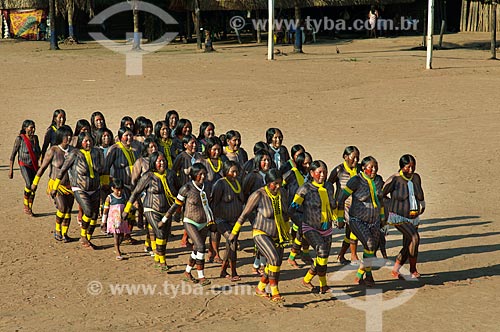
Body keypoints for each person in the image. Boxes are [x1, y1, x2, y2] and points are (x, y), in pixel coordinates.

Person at [229, 169, 290, 302]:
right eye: (275, 184)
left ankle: (260, 287)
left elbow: (287, 214)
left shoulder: (283, 193)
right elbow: (244, 214)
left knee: (276, 263)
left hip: (278, 234)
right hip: (260, 233)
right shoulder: (258, 195)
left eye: (280, 183)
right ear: (268, 183)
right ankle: (275, 292)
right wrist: (234, 233)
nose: (278, 187)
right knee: (273, 259)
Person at [124, 152, 177, 270]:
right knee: (160, 233)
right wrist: (126, 210)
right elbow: (136, 193)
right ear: (153, 163)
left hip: (167, 211)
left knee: (165, 236)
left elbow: (179, 191)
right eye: (159, 161)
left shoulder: (171, 175)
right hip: (151, 209)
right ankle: (162, 261)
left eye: (163, 160)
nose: (162, 163)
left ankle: (158, 256)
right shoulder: (148, 176)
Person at [337, 156, 384, 287]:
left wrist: (383, 217)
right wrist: (340, 218)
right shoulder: (356, 181)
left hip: (374, 221)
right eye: (371, 167)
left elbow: (381, 199)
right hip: (357, 220)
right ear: (363, 168)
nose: (374, 169)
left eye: (376, 166)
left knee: (372, 249)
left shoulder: (379, 180)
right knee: (369, 244)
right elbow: (341, 199)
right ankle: (368, 276)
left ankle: (359, 275)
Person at [290, 160, 337, 294]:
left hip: (327, 227)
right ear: (311, 173)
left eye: (325, 172)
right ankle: (324, 285)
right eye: (319, 172)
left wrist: (338, 217)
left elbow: (333, 204)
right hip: (310, 227)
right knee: (321, 251)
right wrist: (301, 224)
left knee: (322, 258)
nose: (323, 175)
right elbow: (292, 209)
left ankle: (307, 279)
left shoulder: (328, 187)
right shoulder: (305, 189)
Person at [52, 132, 104, 249]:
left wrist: (105, 184)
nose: (88, 143)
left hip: (95, 188)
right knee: (88, 211)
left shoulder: (97, 152)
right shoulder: (74, 154)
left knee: (95, 216)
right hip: (80, 188)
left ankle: (88, 239)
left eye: (90, 140)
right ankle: (82, 236)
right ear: (81, 142)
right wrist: (55, 186)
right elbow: (63, 170)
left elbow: (102, 170)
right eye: (86, 141)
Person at [164, 163, 213, 285]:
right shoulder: (186, 188)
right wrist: (165, 219)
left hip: (204, 222)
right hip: (190, 221)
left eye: (204, 174)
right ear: (193, 175)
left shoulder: (207, 187)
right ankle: (201, 277)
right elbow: (176, 205)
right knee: (201, 247)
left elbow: (210, 204)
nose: (202, 177)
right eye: (200, 174)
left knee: (197, 249)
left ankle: (187, 272)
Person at [383, 154, 425, 279]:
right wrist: (391, 206)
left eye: (413, 167)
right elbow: (381, 194)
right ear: (401, 167)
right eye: (408, 167)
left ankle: (396, 270)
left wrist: (422, 204)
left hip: (414, 216)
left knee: (409, 244)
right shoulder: (394, 179)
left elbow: (419, 192)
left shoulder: (416, 178)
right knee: (414, 238)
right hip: (398, 217)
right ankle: (413, 269)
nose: (411, 170)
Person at [31, 125, 74, 241]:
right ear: (61, 136)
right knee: (62, 207)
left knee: (69, 211)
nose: (69, 138)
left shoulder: (73, 151)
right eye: (66, 136)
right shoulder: (53, 151)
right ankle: (57, 230)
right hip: (56, 185)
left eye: (70, 135)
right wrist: (35, 183)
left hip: (70, 186)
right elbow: (42, 168)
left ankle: (65, 234)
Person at [102, 127, 138, 243]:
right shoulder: (115, 149)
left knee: (133, 211)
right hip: (120, 187)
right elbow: (106, 166)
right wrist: (106, 183)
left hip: (134, 186)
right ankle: (118, 235)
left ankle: (127, 234)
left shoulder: (135, 149)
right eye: (126, 135)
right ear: (120, 136)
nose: (129, 138)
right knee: (122, 212)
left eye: (130, 135)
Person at [211, 160, 244, 281]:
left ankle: (224, 270)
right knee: (232, 241)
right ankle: (233, 271)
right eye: (233, 172)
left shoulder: (238, 183)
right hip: (222, 220)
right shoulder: (220, 184)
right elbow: (213, 203)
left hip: (235, 221)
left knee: (229, 245)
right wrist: (213, 222)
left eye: (237, 172)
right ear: (226, 172)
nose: (235, 175)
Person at [328, 146, 361, 265]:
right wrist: (331, 199)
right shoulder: (338, 170)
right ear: (345, 157)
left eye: (358, 157)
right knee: (354, 227)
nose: (356, 160)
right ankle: (353, 255)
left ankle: (341, 255)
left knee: (349, 232)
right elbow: (328, 184)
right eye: (353, 158)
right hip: (343, 205)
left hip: (357, 205)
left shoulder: (360, 169)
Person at [196, 137, 224, 263]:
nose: (217, 152)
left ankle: (215, 252)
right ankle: (199, 252)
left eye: (219, 150)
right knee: (203, 228)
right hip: (205, 200)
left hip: (219, 201)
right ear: (208, 150)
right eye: (214, 150)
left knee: (216, 227)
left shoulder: (223, 162)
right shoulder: (202, 162)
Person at [284, 151, 313, 268]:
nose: (308, 166)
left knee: (305, 231)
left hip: (306, 209)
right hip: (294, 208)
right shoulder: (292, 174)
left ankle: (305, 253)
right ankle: (292, 257)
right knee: (303, 229)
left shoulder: (311, 174)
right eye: (305, 163)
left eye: (309, 163)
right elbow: (281, 185)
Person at [130, 137, 159, 254]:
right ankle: (152, 246)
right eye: (150, 147)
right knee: (150, 221)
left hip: (157, 195)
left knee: (154, 222)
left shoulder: (159, 160)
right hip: (144, 195)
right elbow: (134, 181)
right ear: (146, 149)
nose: (153, 149)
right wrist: (135, 198)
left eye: (155, 146)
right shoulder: (141, 162)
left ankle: (148, 243)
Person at [9, 120, 41, 216]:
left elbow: (39, 152)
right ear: (25, 128)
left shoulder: (35, 138)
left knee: (34, 187)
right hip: (24, 164)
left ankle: (30, 207)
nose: (33, 130)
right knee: (28, 183)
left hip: (34, 165)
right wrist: (11, 169)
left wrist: (41, 161)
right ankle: (25, 205)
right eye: (31, 127)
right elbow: (13, 154)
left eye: (34, 127)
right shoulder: (20, 139)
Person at [102, 179, 129, 260]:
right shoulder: (109, 198)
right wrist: (103, 222)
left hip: (122, 220)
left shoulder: (124, 196)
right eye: (117, 190)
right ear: (112, 188)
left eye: (121, 190)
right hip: (113, 221)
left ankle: (117, 247)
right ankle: (118, 252)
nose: (119, 192)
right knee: (116, 236)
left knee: (121, 236)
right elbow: (105, 211)